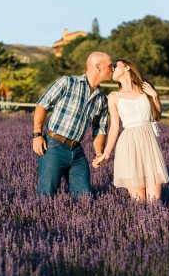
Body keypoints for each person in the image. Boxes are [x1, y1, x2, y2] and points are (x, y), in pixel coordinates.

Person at [32, 52, 114, 197]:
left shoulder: (102, 99)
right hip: (53, 146)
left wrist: (99, 153)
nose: (113, 69)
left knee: (85, 198)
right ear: (98, 67)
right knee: (46, 195)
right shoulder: (67, 82)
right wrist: (37, 135)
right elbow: (42, 105)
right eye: (110, 66)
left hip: (76, 151)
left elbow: (100, 129)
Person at [93, 58, 169, 201]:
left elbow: (157, 116)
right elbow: (114, 127)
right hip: (129, 144)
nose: (112, 68)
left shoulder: (146, 90)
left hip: (150, 144)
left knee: (155, 199)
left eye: (115, 65)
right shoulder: (114, 96)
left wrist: (155, 96)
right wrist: (106, 153)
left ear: (127, 67)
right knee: (139, 201)